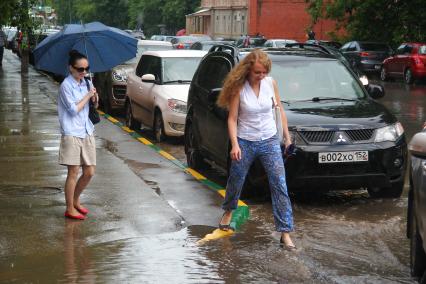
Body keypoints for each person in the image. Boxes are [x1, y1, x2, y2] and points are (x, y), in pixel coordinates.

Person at [216, 49, 296, 249]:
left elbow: (280, 111)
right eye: (257, 73)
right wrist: (235, 144)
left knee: (279, 184)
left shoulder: (271, 83)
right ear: (248, 70)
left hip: (269, 140)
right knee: (236, 178)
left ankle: (285, 232)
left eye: (264, 73)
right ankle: (228, 210)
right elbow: (232, 119)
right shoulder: (239, 88)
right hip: (245, 140)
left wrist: (287, 138)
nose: (261, 76)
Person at [58, 50, 98, 220]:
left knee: (89, 171)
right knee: (73, 171)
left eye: (86, 69)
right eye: (80, 69)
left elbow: (93, 106)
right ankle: (69, 208)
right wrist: (88, 96)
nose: (84, 72)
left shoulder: (86, 83)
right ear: (71, 68)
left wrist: (95, 97)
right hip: (71, 131)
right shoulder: (66, 85)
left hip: (86, 130)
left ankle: (75, 199)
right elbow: (73, 110)